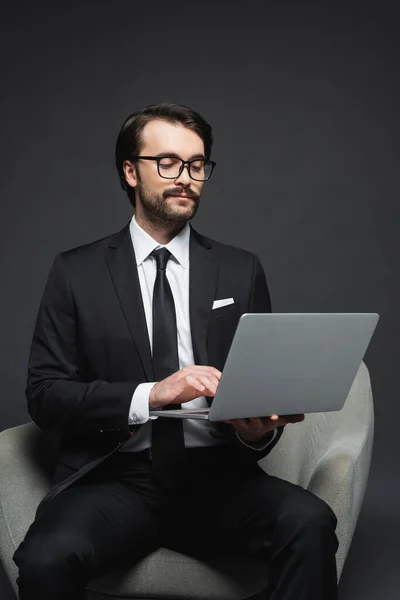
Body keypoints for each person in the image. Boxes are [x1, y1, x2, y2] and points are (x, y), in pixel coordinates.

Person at [13, 102, 338, 600]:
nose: (185, 176)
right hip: (114, 480)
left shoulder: (240, 269)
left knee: (310, 521)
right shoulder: (75, 273)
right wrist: (154, 394)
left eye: (197, 164)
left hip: (216, 480)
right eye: (167, 162)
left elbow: (261, 387)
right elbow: (46, 395)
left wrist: (255, 434)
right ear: (130, 171)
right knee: (45, 558)